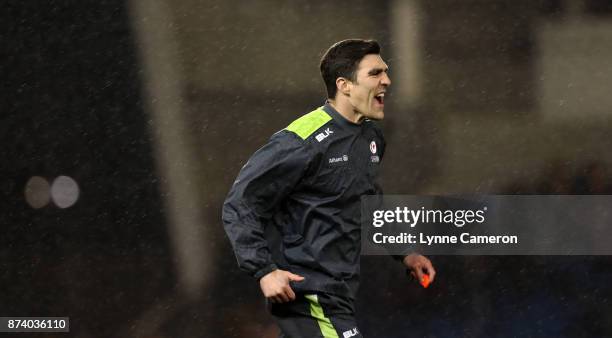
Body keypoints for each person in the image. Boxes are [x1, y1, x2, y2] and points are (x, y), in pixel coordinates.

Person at [222, 39, 435, 338]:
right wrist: (264, 270)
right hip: (308, 293)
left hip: (340, 293)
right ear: (344, 85)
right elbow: (240, 203)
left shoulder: (371, 137)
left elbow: (366, 202)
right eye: (375, 73)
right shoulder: (300, 141)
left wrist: (405, 253)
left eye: (385, 72)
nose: (387, 80)